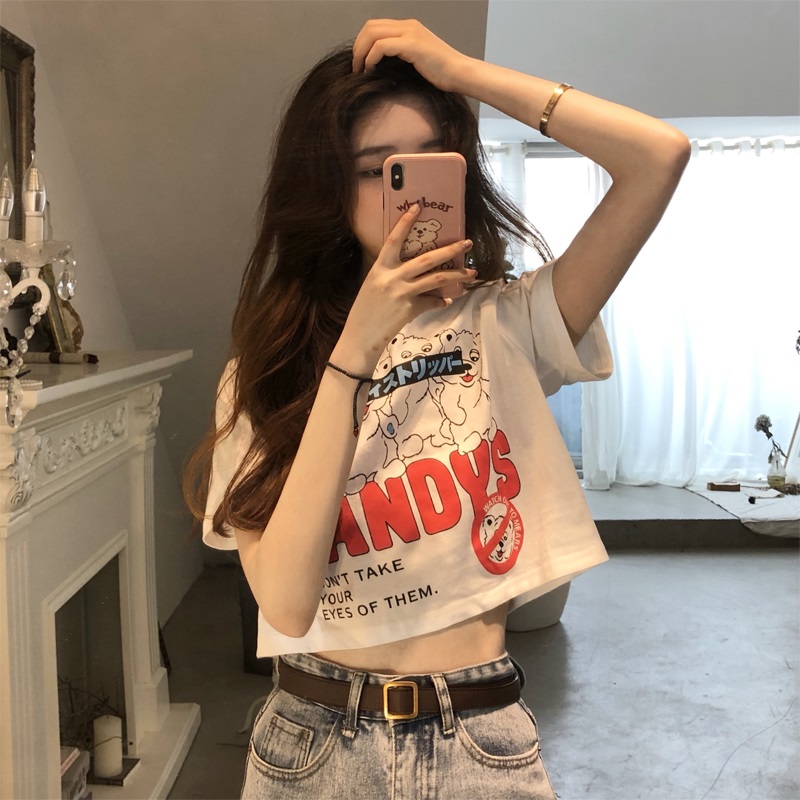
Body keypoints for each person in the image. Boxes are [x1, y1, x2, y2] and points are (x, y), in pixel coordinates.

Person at [184, 18, 690, 800]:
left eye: (431, 161)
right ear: (326, 189)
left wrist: (464, 73)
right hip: (309, 748)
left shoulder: (508, 325)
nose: (411, 192)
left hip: (477, 742)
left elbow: (658, 155)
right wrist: (354, 355)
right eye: (378, 171)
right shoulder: (266, 372)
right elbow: (285, 602)